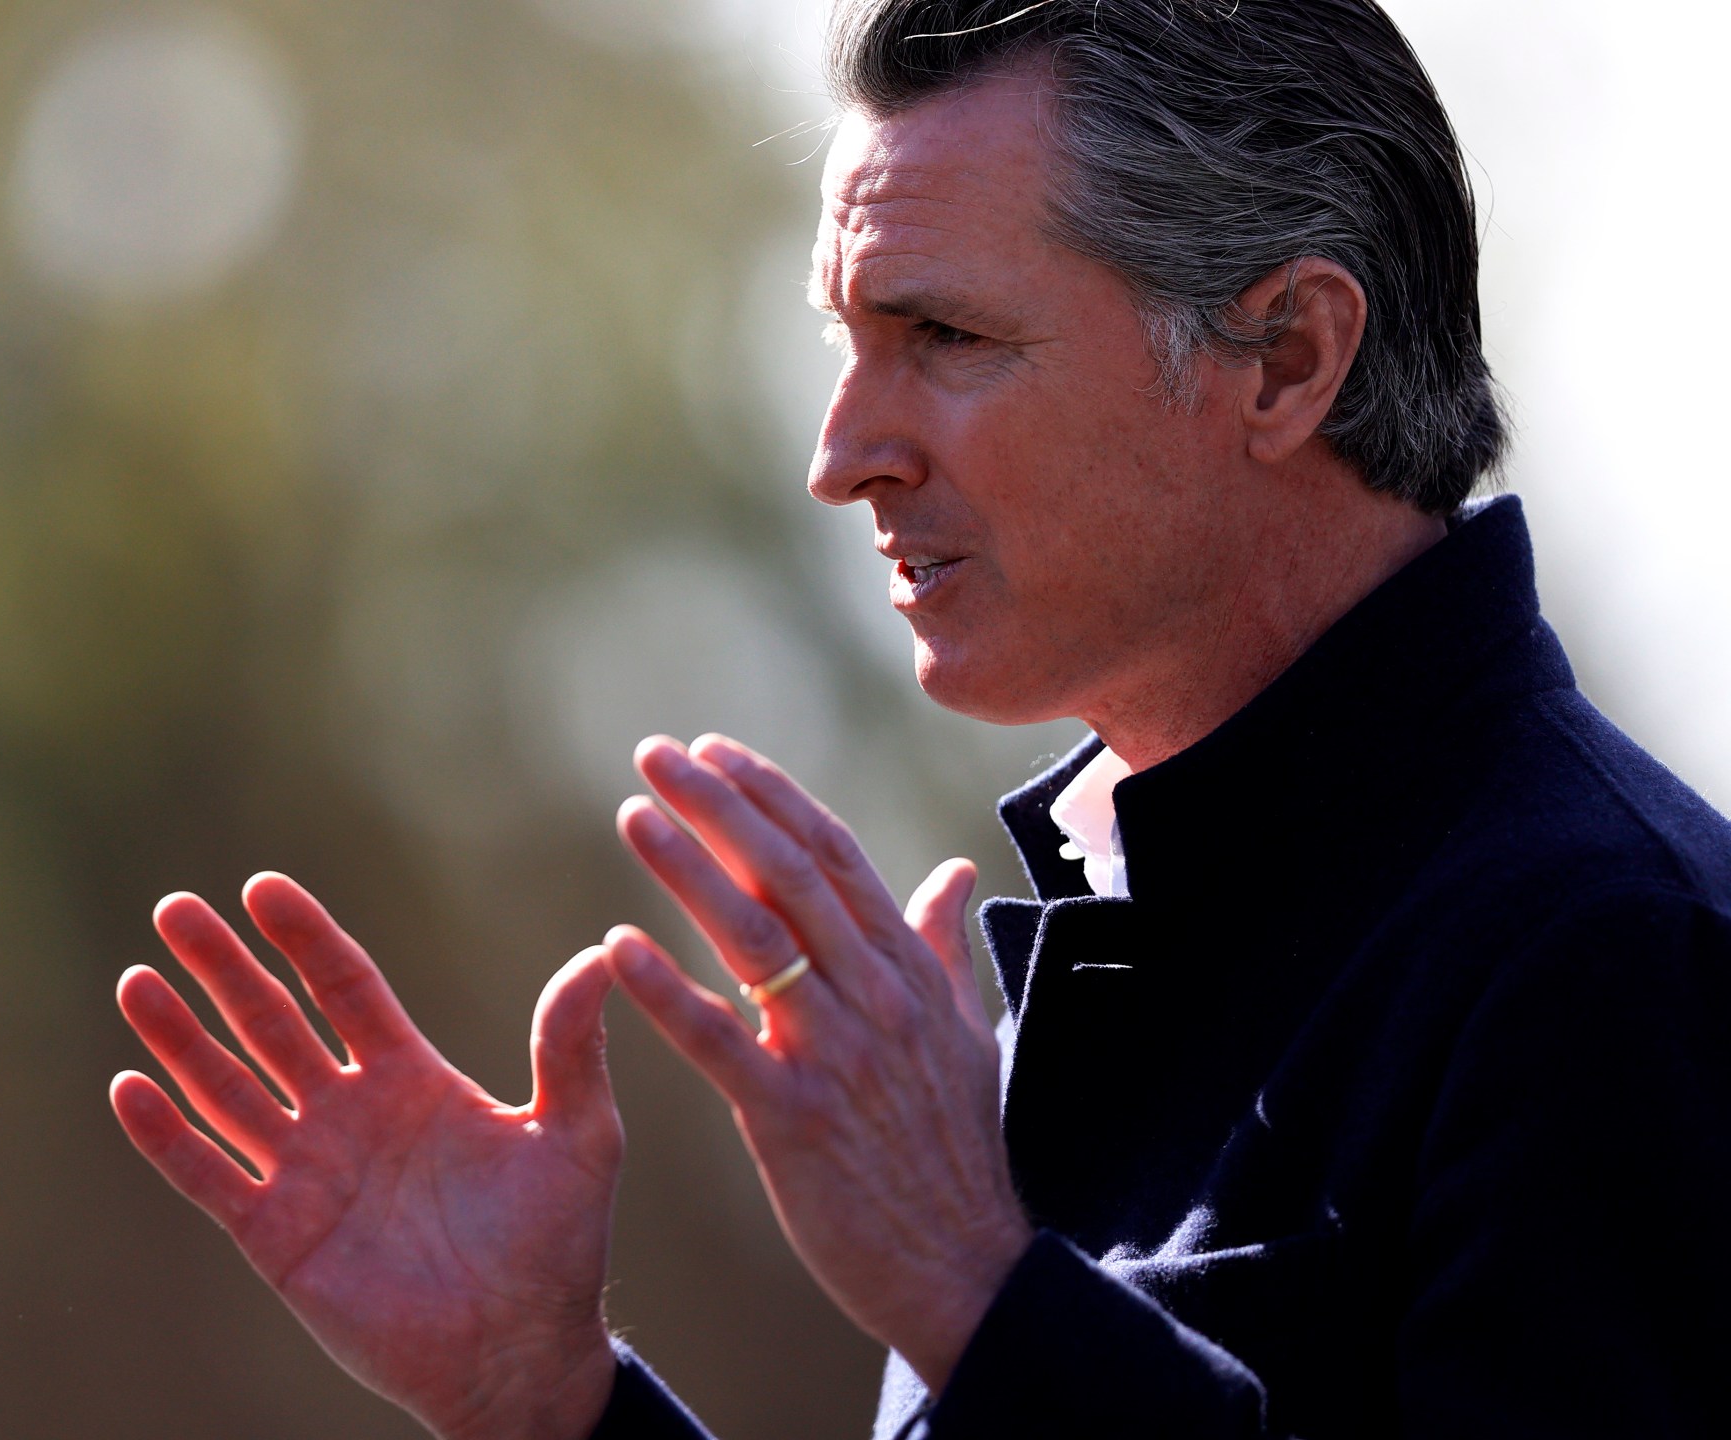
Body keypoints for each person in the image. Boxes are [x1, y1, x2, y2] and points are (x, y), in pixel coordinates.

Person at [107, 1, 1731, 1435]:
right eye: (844, 339)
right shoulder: (1105, 958)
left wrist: (978, 1287)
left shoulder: (1611, 954)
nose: (841, 451)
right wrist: (551, 1406)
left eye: (942, 336)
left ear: (1285, 359)